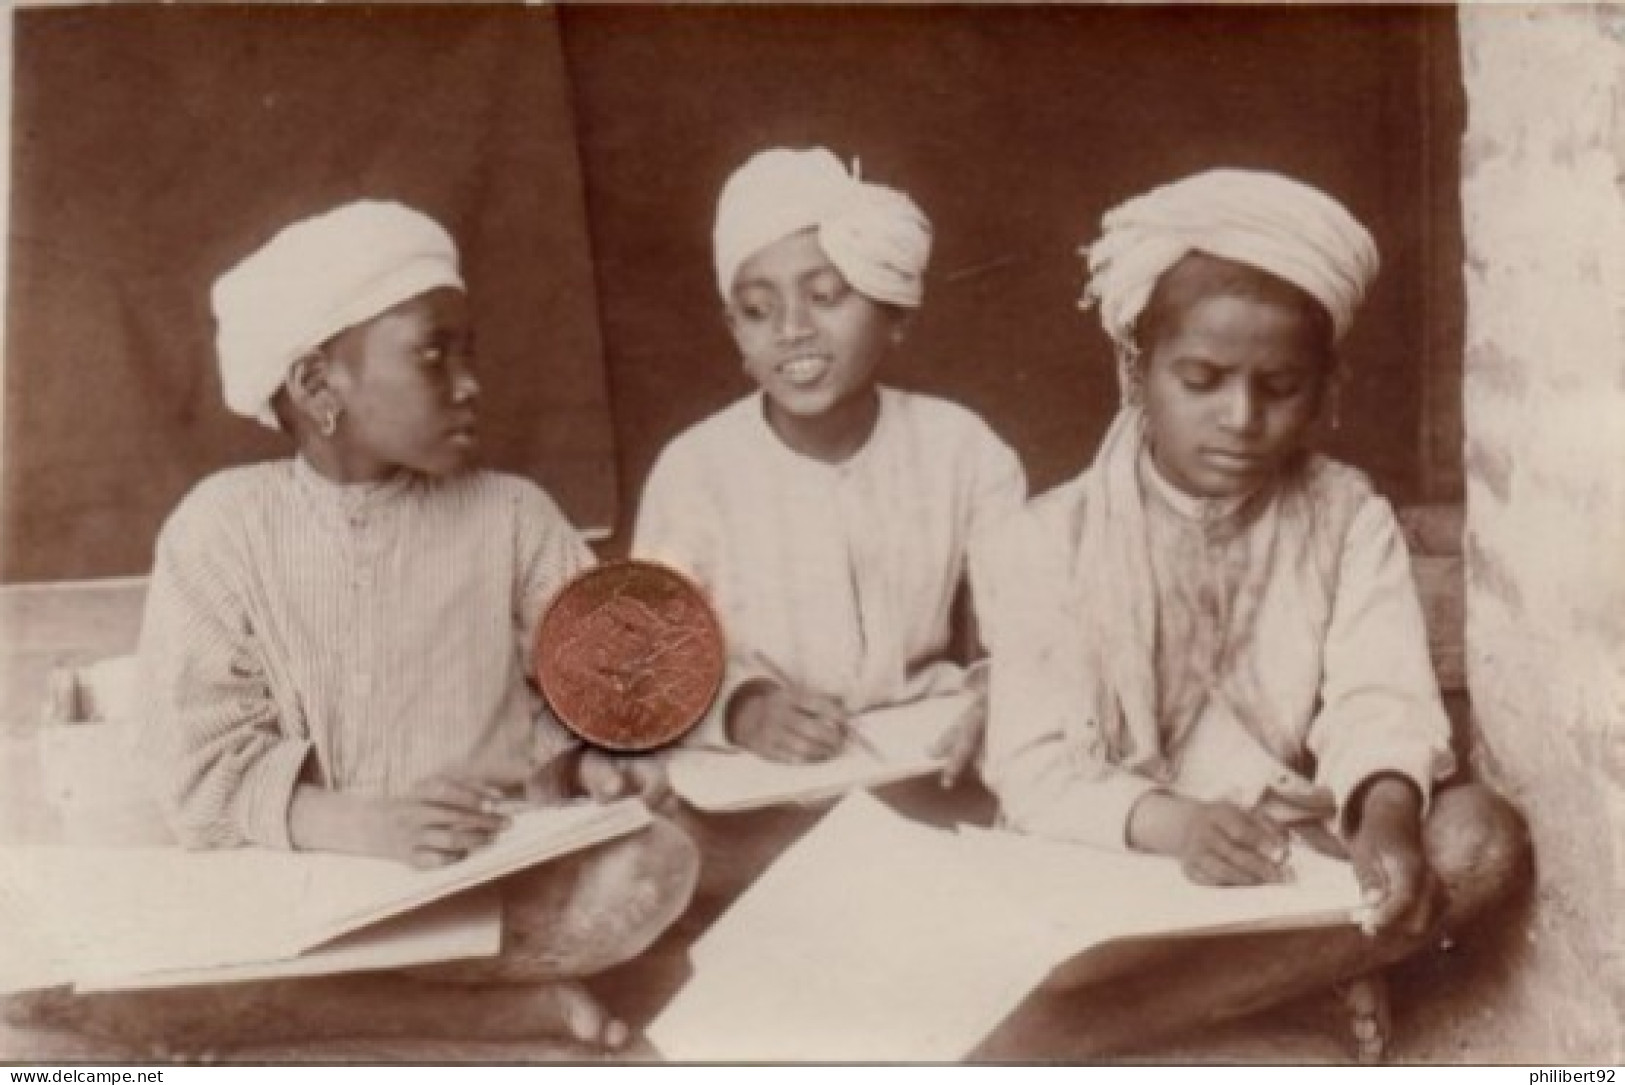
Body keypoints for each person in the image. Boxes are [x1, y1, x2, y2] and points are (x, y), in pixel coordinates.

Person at [13, 200, 697, 1056]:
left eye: (468, 351)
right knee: (68, 931)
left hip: (477, 870)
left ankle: (307, 1006)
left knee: (655, 863)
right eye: (431, 355)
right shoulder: (221, 526)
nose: (470, 382)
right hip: (295, 872)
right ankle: (479, 1011)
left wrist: (607, 758)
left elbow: (610, 680)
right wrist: (355, 824)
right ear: (315, 385)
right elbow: (192, 763)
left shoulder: (513, 514)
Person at [973, 169, 1529, 1061]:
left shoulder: (1346, 516)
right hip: (1120, 862)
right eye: (1201, 379)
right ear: (1134, 369)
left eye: (1279, 387)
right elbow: (1038, 770)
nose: (1240, 417)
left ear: (1323, 389)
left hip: (1287, 854)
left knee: (1478, 840)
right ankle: (1288, 989)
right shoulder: (1044, 538)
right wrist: (1177, 824)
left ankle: (1087, 1034)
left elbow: (1377, 700)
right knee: (1035, 935)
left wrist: (1384, 817)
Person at [633, 148, 1026, 894]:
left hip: (921, 775)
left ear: (894, 313)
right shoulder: (695, 469)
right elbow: (652, 663)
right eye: (757, 309)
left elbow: (1030, 627)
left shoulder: (963, 449)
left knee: (1030, 812)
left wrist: (992, 699)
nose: (792, 329)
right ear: (734, 331)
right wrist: (743, 709)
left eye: (826, 295)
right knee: (667, 849)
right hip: (759, 793)